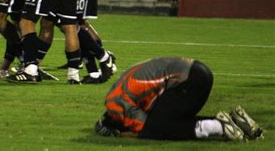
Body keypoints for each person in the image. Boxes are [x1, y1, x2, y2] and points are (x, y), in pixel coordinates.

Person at [94, 57, 263, 141]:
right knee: (171, 120)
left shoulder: (115, 103)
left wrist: (125, 135)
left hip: (188, 79)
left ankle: (218, 127)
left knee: (156, 129)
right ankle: (235, 122)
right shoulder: (119, 91)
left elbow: (145, 129)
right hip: (195, 72)